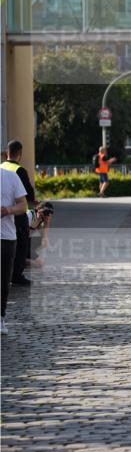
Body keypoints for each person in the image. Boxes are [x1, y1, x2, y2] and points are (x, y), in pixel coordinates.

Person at [1, 140, 35, 286]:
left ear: (6, 153)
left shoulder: (2, 167)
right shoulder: (19, 171)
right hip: (15, 214)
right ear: (20, 154)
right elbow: (28, 194)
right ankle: (16, 275)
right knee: (22, 243)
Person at [1, 164, 28, 334]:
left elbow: (23, 205)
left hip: (6, 238)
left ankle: (0, 317)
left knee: (3, 281)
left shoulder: (11, 177)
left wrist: (7, 210)